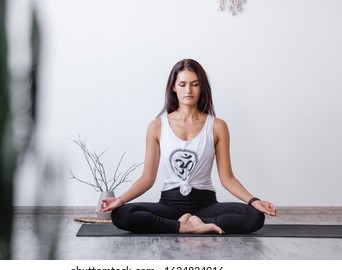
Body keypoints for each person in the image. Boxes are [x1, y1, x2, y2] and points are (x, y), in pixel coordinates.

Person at [100, 59, 277, 234]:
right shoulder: (157, 126)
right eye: (182, 84)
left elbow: (227, 178)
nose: (188, 90)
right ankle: (186, 226)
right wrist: (120, 200)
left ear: (202, 87)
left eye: (195, 84)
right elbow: (147, 178)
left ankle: (191, 223)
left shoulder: (217, 126)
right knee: (122, 214)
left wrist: (254, 200)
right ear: (173, 87)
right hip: (169, 205)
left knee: (254, 216)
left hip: (206, 205)